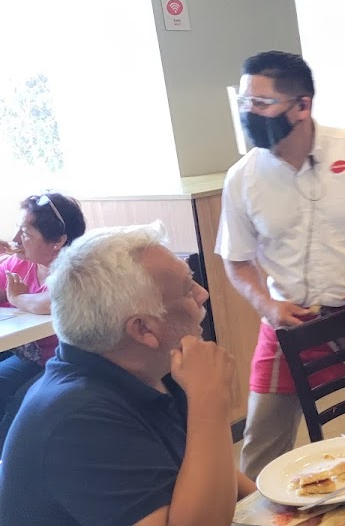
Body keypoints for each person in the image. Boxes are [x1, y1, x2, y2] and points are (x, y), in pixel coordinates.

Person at [218, 51, 345, 477]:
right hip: (290, 322)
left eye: (261, 103)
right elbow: (236, 261)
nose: (248, 113)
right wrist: (265, 305)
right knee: (259, 447)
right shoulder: (242, 177)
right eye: (243, 102)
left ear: (302, 105)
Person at [0, 226, 256, 525]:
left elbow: (207, 466)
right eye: (188, 289)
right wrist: (209, 401)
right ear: (143, 329)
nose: (203, 294)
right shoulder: (78, 418)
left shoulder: (154, 369)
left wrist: (276, 506)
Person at [0, 193, 86, 444]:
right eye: (18, 229)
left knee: (22, 406)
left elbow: (54, 301)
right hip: (32, 359)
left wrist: (18, 298)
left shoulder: (77, 269)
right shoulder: (20, 264)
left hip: (71, 362)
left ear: (57, 241)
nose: (16, 239)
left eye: (26, 233)